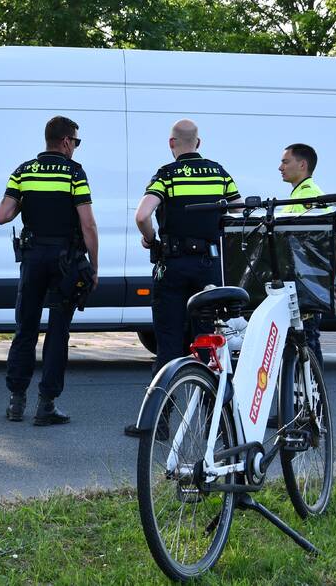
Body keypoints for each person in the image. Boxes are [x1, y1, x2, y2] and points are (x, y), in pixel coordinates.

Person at [125, 119, 241, 437]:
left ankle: (159, 424)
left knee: (169, 344)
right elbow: (238, 211)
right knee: (210, 345)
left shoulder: (166, 174)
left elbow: (141, 215)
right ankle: (214, 425)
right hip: (208, 269)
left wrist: (151, 240)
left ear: (171, 143)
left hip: (172, 267)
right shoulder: (219, 173)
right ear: (198, 143)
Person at [0, 116, 99, 426]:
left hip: (33, 257)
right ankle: (46, 404)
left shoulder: (23, 171)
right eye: (76, 142)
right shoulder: (74, 173)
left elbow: (3, 215)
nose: (75, 148)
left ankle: (16, 401)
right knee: (57, 330)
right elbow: (88, 223)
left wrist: (27, 203)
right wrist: (94, 264)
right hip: (65, 260)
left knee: (25, 327)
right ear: (66, 141)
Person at [278, 142, 325, 367]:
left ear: (302, 164)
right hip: (304, 282)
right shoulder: (301, 194)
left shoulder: (307, 197)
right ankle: (307, 393)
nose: (280, 167)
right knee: (305, 340)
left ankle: (314, 395)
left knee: (307, 340)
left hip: (305, 284)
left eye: (285, 161)